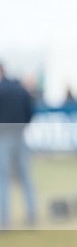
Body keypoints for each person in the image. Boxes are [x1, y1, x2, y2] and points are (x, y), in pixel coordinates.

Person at [0, 62, 37, 228]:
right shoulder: (19, 88)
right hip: (20, 134)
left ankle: (3, 220)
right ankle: (32, 214)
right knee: (25, 177)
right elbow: (30, 110)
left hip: (3, 137)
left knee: (3, 179)